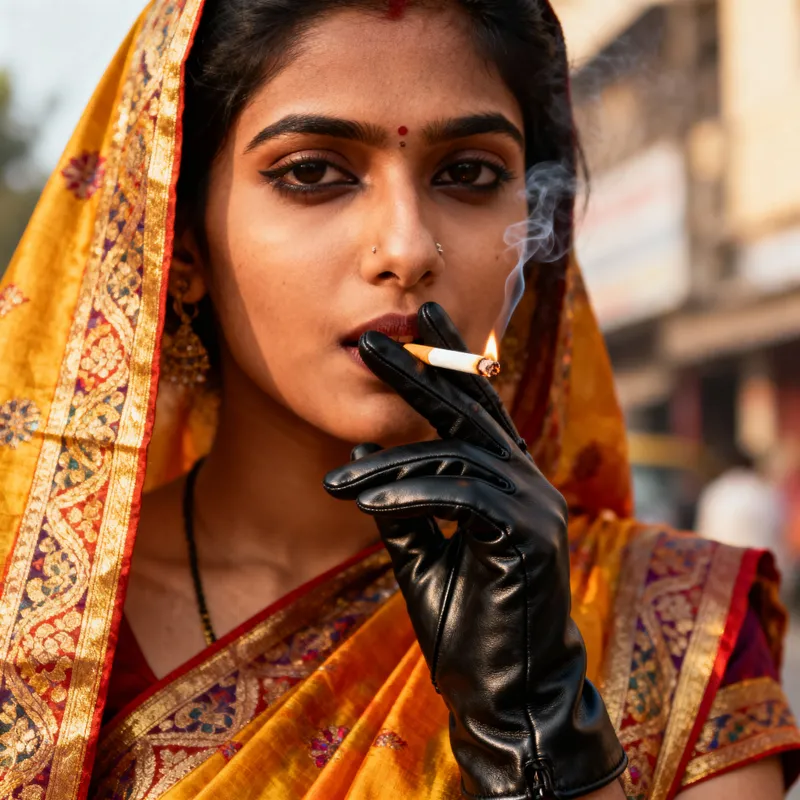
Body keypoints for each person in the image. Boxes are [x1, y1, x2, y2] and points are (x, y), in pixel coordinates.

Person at [0, 1, 797, 798]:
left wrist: (540, 731)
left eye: (470, 174)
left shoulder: (670, 625)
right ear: (181, 242)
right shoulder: (26, 620)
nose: (409, 249)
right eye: (312, 173)